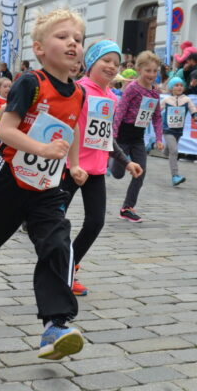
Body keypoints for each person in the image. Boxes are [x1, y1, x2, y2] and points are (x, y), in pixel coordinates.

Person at [0, 8, 88, 360]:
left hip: (48, 185)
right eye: (63, 37)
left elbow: (72, 130)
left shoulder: (78, 93)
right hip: (11, 177)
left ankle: (55, 324)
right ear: (40, 48)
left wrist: (74, 165)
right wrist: (43, 148)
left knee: (58, 243)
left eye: (77, 39)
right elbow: (5, 130)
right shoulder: (31, 82)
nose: (72, 44)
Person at [66, 40, 142, 296]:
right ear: (91, 63)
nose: (111, 67)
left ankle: (70, 267)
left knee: (95, 222)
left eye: (116, 63)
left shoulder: (111, 96)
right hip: (69, 168)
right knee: (53, 224)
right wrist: (71, 162)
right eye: (106, 61)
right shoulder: (77, 90)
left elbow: (105, 135)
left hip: (95, 170)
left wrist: (126, 162)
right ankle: (57, 269)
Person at [111, 50, 164, 222]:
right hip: (123, 134)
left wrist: (159, 138)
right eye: (148, 70)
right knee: (118, 174)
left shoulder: (155, 93)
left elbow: (157, 117)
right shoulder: (132, 88)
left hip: (138, 137)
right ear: (139, 70)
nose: (151, 74)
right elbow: (121, 110)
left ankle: (127, 207)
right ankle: (111, 161)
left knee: (140, 172)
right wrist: (114, 134)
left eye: (155, 71)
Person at [160, 78, 197, 187]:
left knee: (169, 150)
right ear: (171, 88)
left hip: (178, 130)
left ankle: (161, 149)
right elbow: (157, 109)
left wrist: (195, 115)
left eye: (181, 85)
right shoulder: (167, 100)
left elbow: (193, 109)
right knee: (174, 151)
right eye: (176, 85)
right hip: (167, 129)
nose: (179, 87)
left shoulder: (186, 100)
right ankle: (175, 176)